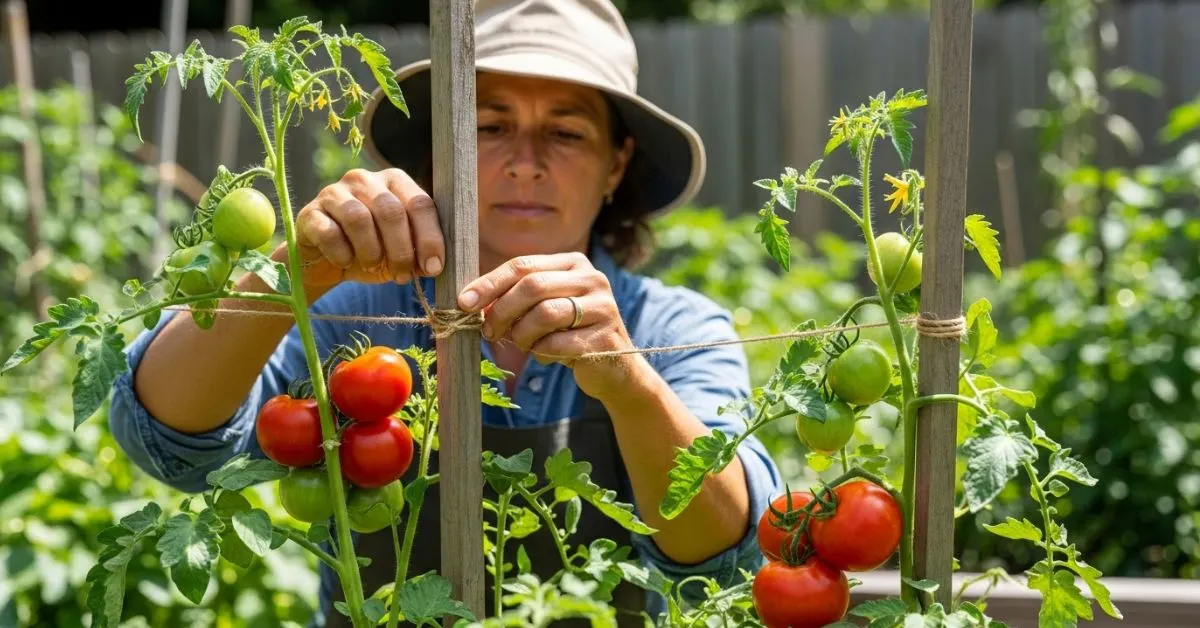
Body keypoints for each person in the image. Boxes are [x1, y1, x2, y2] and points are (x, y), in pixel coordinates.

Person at [107, 0, 783, 625]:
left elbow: (725, 553)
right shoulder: (352, 312)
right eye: (490, 125)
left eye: (567, 132)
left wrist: (630, 384)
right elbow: (168, 443)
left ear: (616, 164)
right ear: (441, 149)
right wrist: (302, 268)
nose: (525, 163)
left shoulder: (674, 331)